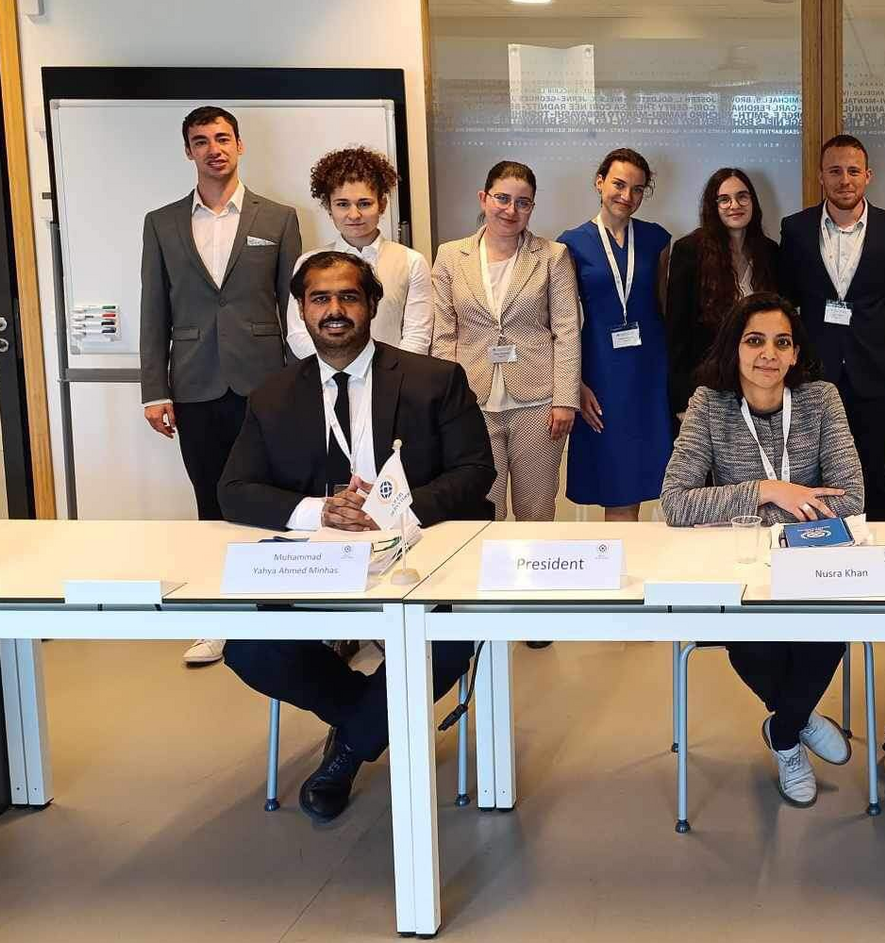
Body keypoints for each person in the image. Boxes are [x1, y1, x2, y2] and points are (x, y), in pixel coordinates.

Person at [219, 250, 495, 821]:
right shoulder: (272, 394)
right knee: (250, 648)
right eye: (319, 298)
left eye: (348, 296)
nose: (335, 310)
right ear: (302, 310)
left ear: (371, 304)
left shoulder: (435, 380)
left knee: (448, 640)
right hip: (315, 560)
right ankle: (364, 718)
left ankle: (346, 753)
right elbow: (235, 490)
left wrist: (395, 513)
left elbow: (475, 471)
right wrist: (318, 512)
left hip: (416, 550)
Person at [660, 294, 865, 807]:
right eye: (755, 341)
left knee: (829, 629)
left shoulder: (821, 400)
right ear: (735, 347)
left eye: (781, 343)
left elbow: (852, 498)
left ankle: (783, 731)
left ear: (795, 354)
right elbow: (675, 502)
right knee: (752, 641)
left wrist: (748, 513)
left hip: (812, 566)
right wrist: (772, 491)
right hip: (741, 568)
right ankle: (799, 723)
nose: (768, 354)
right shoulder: (709, 404)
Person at [139, 105, 300, 668]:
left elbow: (294, 309)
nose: (215, 149)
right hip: (195, 384)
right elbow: (153, 309)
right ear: (188, 151)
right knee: (210, 503)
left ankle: (278, 614)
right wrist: (154, 390)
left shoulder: (278, 218)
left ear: (240, 145)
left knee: (271, 498)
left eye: (223, 138)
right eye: (202, 140)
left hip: (266, 384)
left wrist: (301, 384)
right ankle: (217, 620)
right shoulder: (161, 223)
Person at [778, 134, 885, 522]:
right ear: (821, 176)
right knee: (810, 476)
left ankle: (876, 549)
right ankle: (817, 545)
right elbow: (784, 305)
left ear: (868, 176)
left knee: (876, 476)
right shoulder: (796, 229)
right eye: (835, 171)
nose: (845, 180)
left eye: (853, 171)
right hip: (812, 375)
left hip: (876, 376)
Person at [430, 161, 580, 521]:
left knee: (536, 511)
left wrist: (565, 400)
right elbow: (443, 334)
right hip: (472, 402)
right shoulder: (450, 256)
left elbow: (567, 330)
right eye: (502, 198)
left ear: (532, 207)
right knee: (483, 509)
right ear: (484, 198)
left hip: (539, 405)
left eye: (522, 202)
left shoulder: (553, 256)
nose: (511, 210)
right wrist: (447, 402)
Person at [559, 149, 672, 520]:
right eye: (619, 185)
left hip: (649, 372)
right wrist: (574, 384)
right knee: (616, 482)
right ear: (600, 182)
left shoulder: (657, 239)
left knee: (648, 478)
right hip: (601, 373)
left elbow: (662, 305)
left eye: (637, 189)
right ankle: (620, 553)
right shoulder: (571, 243)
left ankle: (636, 552)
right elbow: (562, 321)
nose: (627, 196)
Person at [286, 145, 430, 358]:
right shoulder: (308, 263)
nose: (354, 215)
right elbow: (298, 334)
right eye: (342, 204)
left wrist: (387, 371)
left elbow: (417, 335)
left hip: (393, 373)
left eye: (364, 203)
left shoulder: (411, 262)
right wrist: (338, 367)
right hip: (327, 374)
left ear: (382, 204)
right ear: (329, 207)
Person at [665, 167, 779, 422]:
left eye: (742, 197)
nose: (734, 205)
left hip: (761, 380)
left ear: (753, 201)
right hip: (708, 384)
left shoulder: (770, 252)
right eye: (724, 199)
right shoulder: (689, 251)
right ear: (712, 206)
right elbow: (677, 333)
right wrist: (682, 399)